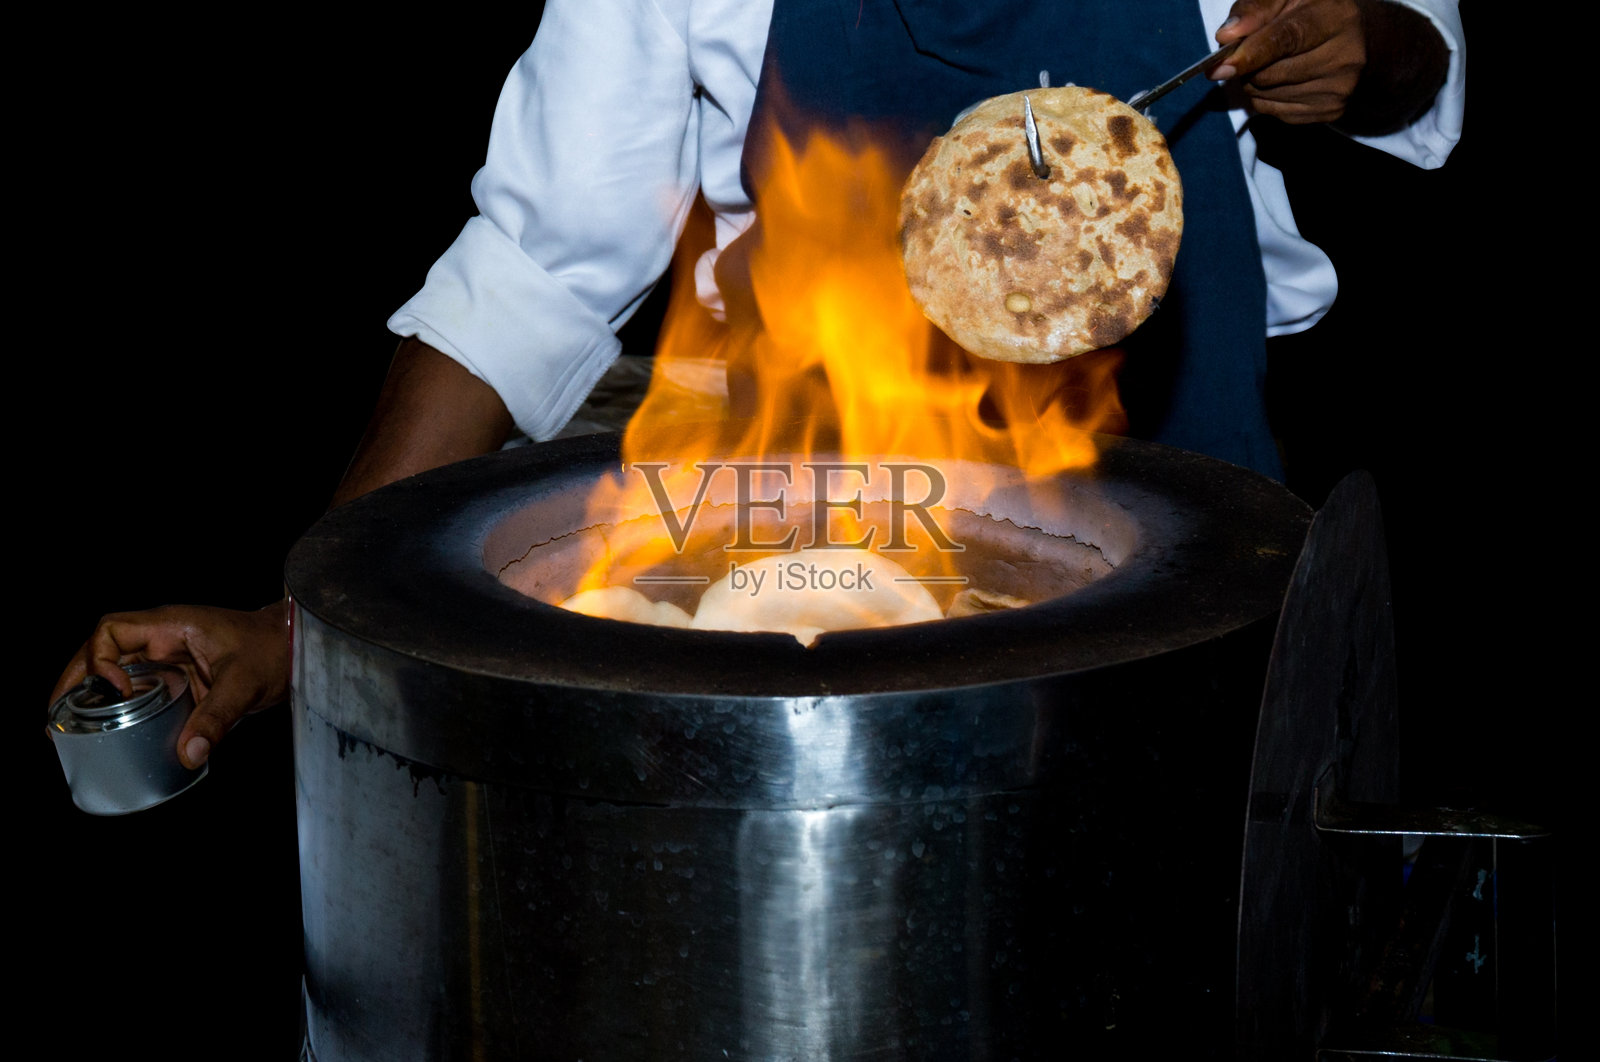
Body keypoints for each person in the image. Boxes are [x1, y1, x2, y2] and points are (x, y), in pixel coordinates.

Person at [50, 0, 1463, 772]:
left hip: (1204, 587)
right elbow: (535, 268)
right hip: (818, 616)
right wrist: (301, 625)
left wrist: (1371, 45)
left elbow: (1419, 60)